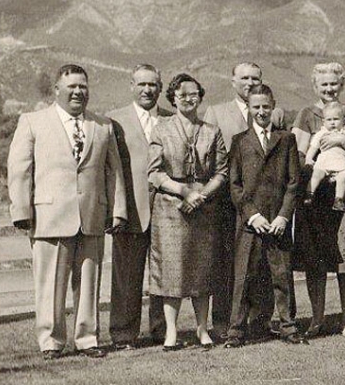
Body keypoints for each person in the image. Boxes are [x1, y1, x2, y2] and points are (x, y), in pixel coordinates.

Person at [7, 64, 127, 359]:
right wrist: (21, 209)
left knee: (89, 282)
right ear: (57, 90)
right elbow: (20, 169)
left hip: (91, 217)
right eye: (71, 86)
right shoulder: (33, 121)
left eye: (82, 87)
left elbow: (114, 173)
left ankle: (88, 339)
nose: (78, 92)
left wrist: (118, 210)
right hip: (49, 217)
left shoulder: (103, 126)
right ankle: (51, 341)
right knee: (50, 285)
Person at [202, 61, 285, 334]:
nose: (249, 83)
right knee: (229, 265)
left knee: (264, 265)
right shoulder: (215, 113)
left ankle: (261, 321)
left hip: (266, 204)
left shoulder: (277, 114)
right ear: (232, 80)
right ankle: (225, 322)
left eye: (254, 78)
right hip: (229, 204)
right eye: (243, 78)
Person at [148, 73, 228, 351]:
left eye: (194, 94)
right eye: (182, 94)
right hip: (171, 209)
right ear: (173, 97)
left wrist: (201, 194)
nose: (188, 99)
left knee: (202, 271)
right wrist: (183, 192)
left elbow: (221, 171)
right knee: (172, 271)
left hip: (204, 210)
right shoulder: (161, 128)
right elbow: (155, 173)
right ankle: (171, 332)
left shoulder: (211, 131)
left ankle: (202, 329)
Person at [292, 61, 345, 338]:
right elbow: (300, 153)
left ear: (342, 85)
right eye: (323, 84)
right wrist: (318, 174)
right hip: (317, 195)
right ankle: (317, 317)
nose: (329, 89)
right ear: (315, 86)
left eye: (334, 83)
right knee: (316, 258)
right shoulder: (306, 114)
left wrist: (337, 142)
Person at [225, 84, 304, 348]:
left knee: (281, 275)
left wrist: (283, 217)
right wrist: (252, 215)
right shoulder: (239, 141)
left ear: (273, 106)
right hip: (250, 224)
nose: (261, 112)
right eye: (256, 107)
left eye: (266, 107)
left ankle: (288, 326)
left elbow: (294, 182)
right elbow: (234, 184)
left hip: (278, 223)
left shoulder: (286, 139)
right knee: (244, 276)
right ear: (248, 108)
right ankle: (236, 331)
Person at [107, 64, 172, 348]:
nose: (147, 90)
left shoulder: (172, 120)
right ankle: (123, 333)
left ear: (160, 87)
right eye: (142, 84)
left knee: (163, 274)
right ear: (131, 85)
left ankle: (160, 329)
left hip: (167, 211)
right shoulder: (113, 120)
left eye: (153, 85)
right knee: (126, 276)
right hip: (130, 211)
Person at [303, 101, 345, 212]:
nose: (332, 123)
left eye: (336, 119)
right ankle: (310, 194)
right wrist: (309, 158)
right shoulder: (322, 133)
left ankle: (338, 200)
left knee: (343, 176)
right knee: (316, 175)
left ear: (343, 120)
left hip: (340, 162)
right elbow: (313, 147)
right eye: (329, 120)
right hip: (324, 162)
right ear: (323, 122)